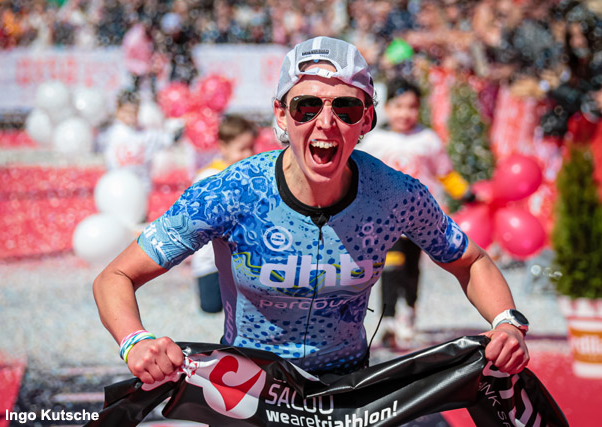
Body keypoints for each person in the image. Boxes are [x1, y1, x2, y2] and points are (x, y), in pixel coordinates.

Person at [93, 36, 529, 384]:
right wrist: (135, 340)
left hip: (347, 392)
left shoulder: (395, 195)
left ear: (366, 120)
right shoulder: (231, 191)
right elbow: (115, 276)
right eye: (307, 106)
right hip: (248, 389)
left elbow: (471, 261)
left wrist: (507, 323)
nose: (325, 122)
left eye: (346, 107)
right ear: (281, 116)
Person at [356, 77, 474, 349]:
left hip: (420, 218)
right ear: (386, 107)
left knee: (411, 269)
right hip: (384, 218)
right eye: (398, 106)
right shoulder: (374, 140)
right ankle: (388, 320)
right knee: (389, 266)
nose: (405, 113)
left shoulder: (428, 140)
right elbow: (358, 172)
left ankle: (408, 315)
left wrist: (467, 194)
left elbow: (445, 173)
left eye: (411, 107)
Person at [191, 114, 257, 313]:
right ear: (223, 147)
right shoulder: (210, 177)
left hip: (243, 262)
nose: (248, 154)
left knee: (243, 310)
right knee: (211, 307)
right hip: (211, 262)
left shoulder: (252, 176)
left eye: (251, 148)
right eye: (242, 149)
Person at [101, 89, 177, 195]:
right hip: (118, 188)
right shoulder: (110, 134)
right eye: (126, 111)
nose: (130, 115)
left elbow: (168, 139)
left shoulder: (145, 134)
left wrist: (181, 126)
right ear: (118, 111)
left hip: (141, 189)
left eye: (134, 111)